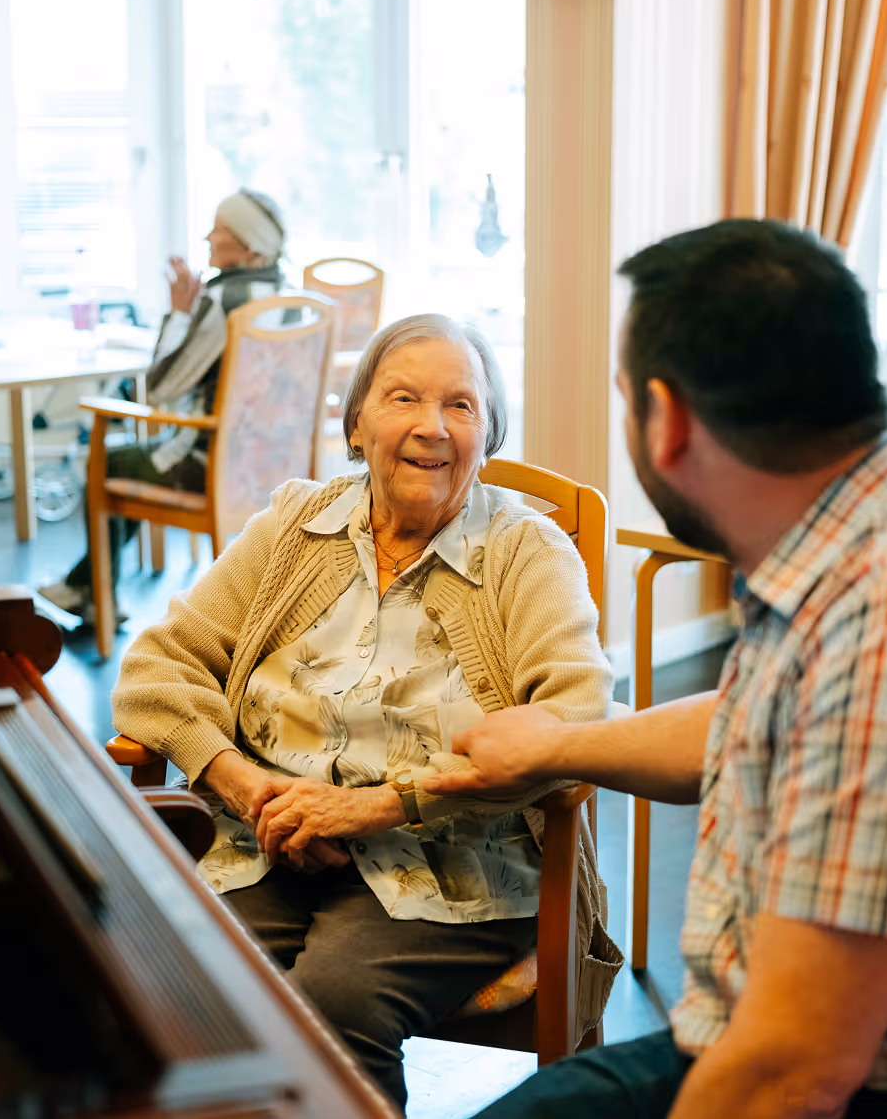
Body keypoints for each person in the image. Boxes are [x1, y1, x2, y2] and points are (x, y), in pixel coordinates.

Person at [424, 220, 887, 1118]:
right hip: (775, 1043)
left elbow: (791, 1073)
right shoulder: (863, 543)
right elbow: (746, 720)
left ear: (666, 420)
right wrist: (560, 745)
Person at [110, 314, 622, 1110]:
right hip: (265, 841)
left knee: (332, 1007)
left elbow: (573, 714)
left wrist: (373, 806)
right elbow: (157, 664)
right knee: (159, 978)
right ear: (356, 424)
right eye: (403, 398)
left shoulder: (527, 551)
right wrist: (247, 787)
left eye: (460, 405)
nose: (431, 426)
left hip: (452, 865)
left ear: (488, 433)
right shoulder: (293, 527)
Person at [39, 188, 288, 624]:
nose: (208, 237)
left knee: (100, 463)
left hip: (205, 465)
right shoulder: (291, 297)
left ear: (248, 246)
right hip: (271, 465)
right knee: (124, 468)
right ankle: (83, 587)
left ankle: (94, 596)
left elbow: (158, 389)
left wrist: (178, 313)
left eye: (220, 229)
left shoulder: (224, 302)